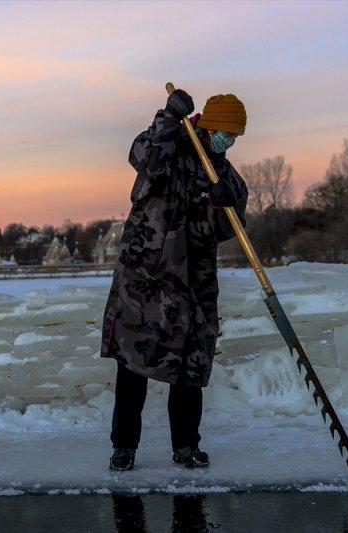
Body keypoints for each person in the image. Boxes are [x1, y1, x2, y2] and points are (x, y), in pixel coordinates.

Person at [100, 88, 249, 470]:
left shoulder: (223, 173)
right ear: (209, 124)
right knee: (133, 362)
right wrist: (167, 117)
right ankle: (124, 447)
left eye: (234, 137)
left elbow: (227, 227)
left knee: (190, 366)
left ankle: (185, 446)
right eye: (225, 133)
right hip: (146, 277)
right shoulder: (168, 147)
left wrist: (223, 200)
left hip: (194, 283)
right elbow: (143, 158)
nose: (228, 141)